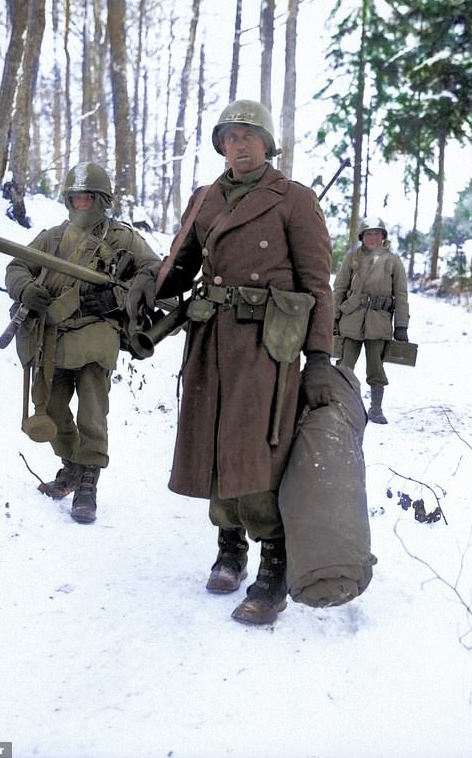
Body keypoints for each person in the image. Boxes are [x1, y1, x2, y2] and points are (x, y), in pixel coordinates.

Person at [127, 99, 336, 625]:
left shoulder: (294, 200)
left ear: (267, 144)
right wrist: (143, 283)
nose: (238, 145)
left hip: (270, 346)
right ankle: (230, 546)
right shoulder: (204, 200)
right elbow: (179, 269)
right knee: (213, 444)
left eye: (248, 136)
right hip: (210, 339)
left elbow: (318, 286)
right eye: (229, 137)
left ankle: (275, 565)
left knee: (259, 449)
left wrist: (319, 359)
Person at [5, 162, 160, 524]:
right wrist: (27, 289)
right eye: (75, 197)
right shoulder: (52, 237)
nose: (81, 204)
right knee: (51, 410)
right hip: (52, 336)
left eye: (88, 197)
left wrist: (118, 300)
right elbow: (16, 266)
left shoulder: (124, 239)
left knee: (92, 412)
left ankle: (88, 481)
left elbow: (154, 273)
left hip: (96, 334)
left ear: (102, 200)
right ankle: (72, 465)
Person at [332, 216, 409, 424]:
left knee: (376, 367)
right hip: (352, 318)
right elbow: (339, 288)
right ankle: (340, 405)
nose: (372, 237)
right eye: (368, 233)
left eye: (376, 233)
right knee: (344, 365)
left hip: (379, 321)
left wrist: (401, 325)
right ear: (362, 237)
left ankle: (376, 409)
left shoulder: (393, 261)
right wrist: (333, 318)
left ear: (383, 237)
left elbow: (401, 295)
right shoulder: (352, 258)